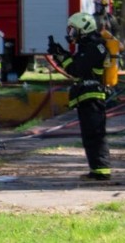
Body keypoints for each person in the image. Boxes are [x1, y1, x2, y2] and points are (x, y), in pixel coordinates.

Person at [47, 11, 111, 181]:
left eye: (73, 30)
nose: (70, 34)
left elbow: (77, 69)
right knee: (89, 135)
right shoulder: (86, 46)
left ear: (83, 29)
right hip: (85, 96)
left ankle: (101, 171)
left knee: (95, 134)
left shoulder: (96, 46)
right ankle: (97, 170)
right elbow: (75, 67)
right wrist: (60, 53)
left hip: (93, 96)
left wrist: (61, 56)